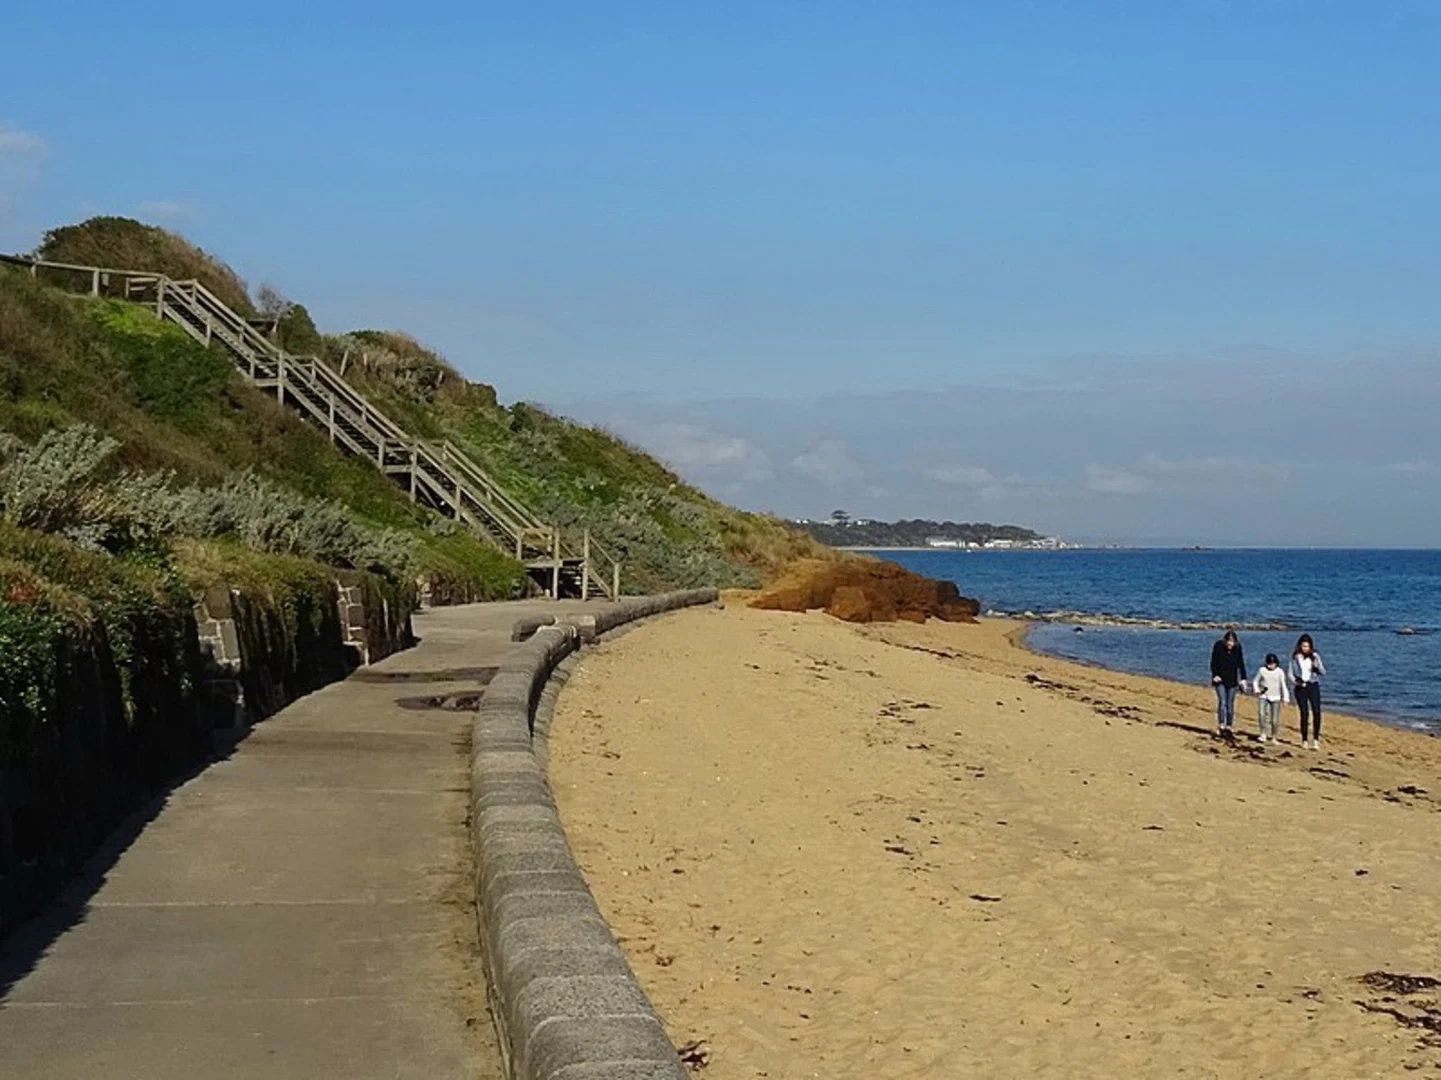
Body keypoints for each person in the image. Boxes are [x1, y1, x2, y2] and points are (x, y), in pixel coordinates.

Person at [1290, 634, 1327, 750]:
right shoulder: (1295, 657)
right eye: (1303, 646)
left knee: (1316, 712)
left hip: (1313, 685)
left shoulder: (1315, 656)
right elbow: (1290, 674)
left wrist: (1317, 665)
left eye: (1307, 646)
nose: (1305, 648)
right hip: (1301, 687)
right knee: (1304, 713)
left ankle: (1316, 739)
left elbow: (1323, 672)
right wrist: (1297, 682)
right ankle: (1304, 740)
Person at [1209, 629, 1247, 736]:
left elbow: (1241, 664)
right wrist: (1215, 675)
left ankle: (1229, 726)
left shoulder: (1238, 649)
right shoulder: (1218, 647)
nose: (1230, 644)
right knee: (1222, 702)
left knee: (1230, 705)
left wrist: (1243, 678)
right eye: (1229, 641)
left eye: (1232, 642)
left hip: (1232, 681)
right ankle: (1221, 725)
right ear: (1225, 641)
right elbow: (1213, 662)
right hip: (1220, 680)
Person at [1252, 653, 1290, 743]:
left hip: (1276, 697)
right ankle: (1263, 734)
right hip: (1264, 696)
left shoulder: (1280, 672)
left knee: (1275, 719)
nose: (1271, 665)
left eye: (1273, 663)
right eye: (1269, 663)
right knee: (1262, 714)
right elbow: (1255, 681)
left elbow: (1283, 685)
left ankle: (1274, 736)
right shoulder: (1262, 670)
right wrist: (1256, 690)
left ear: (1276, 663)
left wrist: (1286, 698)